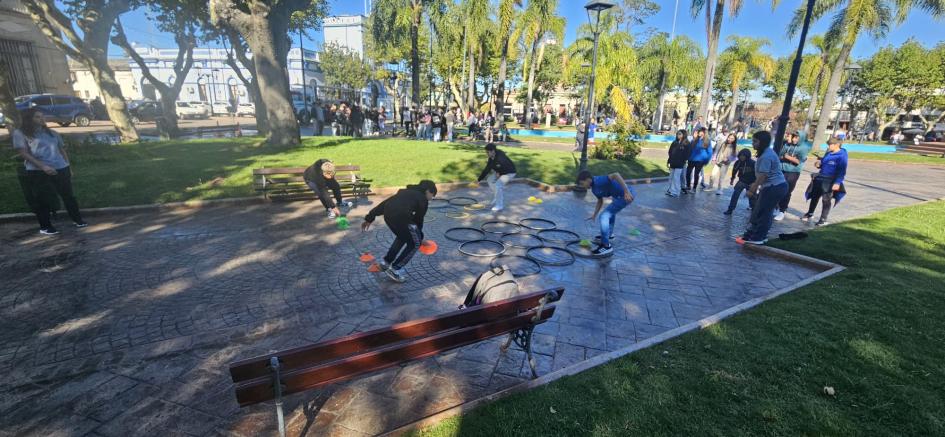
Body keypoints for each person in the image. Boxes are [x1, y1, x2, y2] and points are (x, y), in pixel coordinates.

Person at [12, 108, 87, 234]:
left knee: (69, 196)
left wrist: (68, 166)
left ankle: (78, 220)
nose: (42, 119)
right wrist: (42, 166)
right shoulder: (20, 133)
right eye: (37, 117)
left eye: (42, 116)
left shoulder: (51, 133)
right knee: (43, 199)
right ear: (29, 119)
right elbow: (23, 153)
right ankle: (45, 227)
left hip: (60, 168)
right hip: (38, 171)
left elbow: (62, 150)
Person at [361, 180, 437, 283]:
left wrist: (369, 217)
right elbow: (419, 220)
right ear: (428, 191)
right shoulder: (423, 199)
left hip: (389, 216)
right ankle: (395, 269)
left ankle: (385, 263)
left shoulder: (405, 192)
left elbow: (385, 204)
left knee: (403, 237)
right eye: (432, 195)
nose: (431, 198)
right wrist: (420, 238)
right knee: (415, 243)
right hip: (402, 217)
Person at [737, 131, 788, 245]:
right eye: (753, 141)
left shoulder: (766, 156)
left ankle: (759, 237)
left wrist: (752, 190)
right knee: (763, 211)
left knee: (763, 212)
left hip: (774, 187)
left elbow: (762, 176)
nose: (753, 143)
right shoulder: (766, 153)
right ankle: (756, 234)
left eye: (755, 141)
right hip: (774, 186)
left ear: (762, 142)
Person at [575, 170, 635, 256]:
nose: (582, 186)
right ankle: (609, 234)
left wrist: (626, 191)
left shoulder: (599, 181)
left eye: (582, 183)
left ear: (588, 179)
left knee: (604, 216)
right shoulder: (594, 189)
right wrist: (594, 215)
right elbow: (600, 201)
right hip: (618, 197)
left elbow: (616, 174)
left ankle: (606, 246)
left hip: (626, 195)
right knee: (609, 213)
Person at [803, 138, 848, 226]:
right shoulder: (828, 153)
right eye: (828, 144)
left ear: (837, 145)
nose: (829, 146)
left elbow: (842, 170)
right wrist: (818, 164)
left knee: (826, 200)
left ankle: (823, 219)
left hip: (830, 181)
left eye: (830, 145)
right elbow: (822, 164)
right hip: (820, 178)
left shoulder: (842, 155)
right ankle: (810, 213)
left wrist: (837, 182)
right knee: (814, 196)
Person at [775, 129, 811, 220]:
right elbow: (780, 155)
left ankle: (782, 210)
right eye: (793, 137)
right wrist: (788, 157)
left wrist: (787, 157)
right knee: (778, 188)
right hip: (782, 169)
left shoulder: (803, 148)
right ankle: (777, 207)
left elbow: (798, 161)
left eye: (796, 138)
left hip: (793, 172)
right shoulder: (787, 144)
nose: (794, 139)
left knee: (787, 191)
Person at [477, 143, 517, 212]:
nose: (487, 154)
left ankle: (499, 205)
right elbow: (487, 169)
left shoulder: (501, 157)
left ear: (493, 151)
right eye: (486, 152)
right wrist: (478, 180)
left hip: (509, 172)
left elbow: (505, 167)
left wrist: (500, 174)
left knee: (498, 184)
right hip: (501, 171)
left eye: (487, 152)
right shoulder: (491, 158)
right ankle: (497, 196)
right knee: (489, 179)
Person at [724, 148, 756, 215]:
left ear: (747, 156)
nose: (742, 157)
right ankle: (730, 209)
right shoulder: (738, 162)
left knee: (752, 197)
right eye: (741, 155)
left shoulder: (753, 163)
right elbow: (734, 171)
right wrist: (732, 179)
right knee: (735, 194)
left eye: (744, 156)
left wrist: (755, 183)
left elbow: (757, 173)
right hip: (742, 181)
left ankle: (753, 209)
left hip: (751, 182)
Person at [685, 128, 712, 193]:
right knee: (688, 173)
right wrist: (687, 157)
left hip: (700, 161)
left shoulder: (707, 141)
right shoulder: (694, 140)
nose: (700, 133)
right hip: (691, 159)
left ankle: (694, 188)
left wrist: (706, 160)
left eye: (701, 132)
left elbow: (710, 152)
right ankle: (688, 186)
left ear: (704, 133)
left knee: (696, 174)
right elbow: (690, 149)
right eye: (699, 131)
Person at [666, 129, 691, 197]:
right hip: (673, 163)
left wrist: (683, 160)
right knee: (671, 177)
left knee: (676, 178)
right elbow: (670, 152)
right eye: (677, 134)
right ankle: (670, 190)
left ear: (684, 135)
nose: (678, 135)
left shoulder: (686, 144)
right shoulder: (674, 143)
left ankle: (675, 192)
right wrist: (669, 161)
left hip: (680, 164)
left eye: (680, 134)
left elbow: (687, 154)